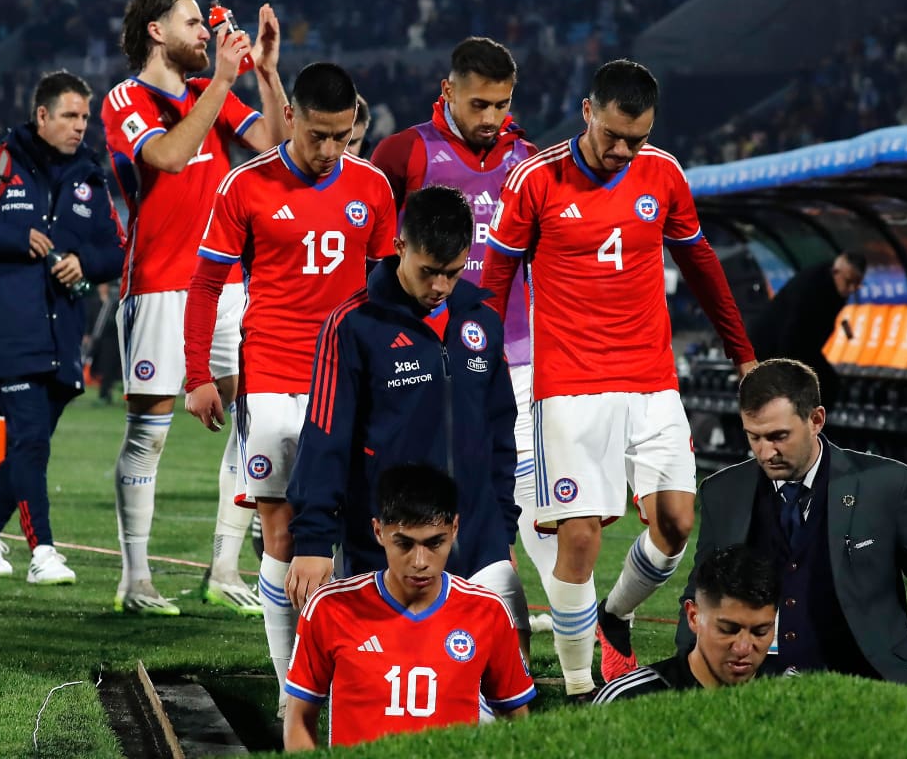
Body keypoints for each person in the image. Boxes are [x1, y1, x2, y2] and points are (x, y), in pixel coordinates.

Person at [481, 59, 757, 697]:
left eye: (636, 137)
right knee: (577, 536)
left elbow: (701, 264)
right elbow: (494, 282)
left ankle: (616, 613)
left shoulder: (661, 173)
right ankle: (581, 687)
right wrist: (481, 364)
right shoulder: (534, 179)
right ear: (587, 112)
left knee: (677, 524)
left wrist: (743, 352)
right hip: (569, 386)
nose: (622, 150)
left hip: (651, 382)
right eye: (612, 135)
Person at [185, 60, 396, 712]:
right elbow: (205, 285)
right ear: (293, 119)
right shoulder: (245, 185)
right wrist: (197, 375)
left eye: (342, 136)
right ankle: (290, 692)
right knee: (280, 529)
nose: (330, 150)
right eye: (319, 136)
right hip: (274, 376)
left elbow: (389, 292)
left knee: (360, 530)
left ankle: (352, 675)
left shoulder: (374, 187)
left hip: (350, 378)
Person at [101, 0, 288, 616]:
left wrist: (264, 72)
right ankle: (135, 578)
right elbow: (170, 156)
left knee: (251, 418)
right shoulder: (127, 98)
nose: (206, 33)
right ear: (157, 31)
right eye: (192, 22)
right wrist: (223, 84)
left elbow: (277, 144)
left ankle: (224, 568)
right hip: (156, 284)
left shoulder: (216, 95)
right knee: (148, 434)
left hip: (225, 282)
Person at [285, 186, 521, 633]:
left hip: (479, 539)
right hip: (387, 545)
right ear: (399, 248)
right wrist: (314, 541)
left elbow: (500, 432)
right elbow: (324, 439)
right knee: (384, 681)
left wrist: (503, 528)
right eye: (428, 271)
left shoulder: (482, 322)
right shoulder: (354, 325)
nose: (440, 287)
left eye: (451, 273)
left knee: (502, 676)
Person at [370, 38, 548, 618]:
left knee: (515, 487)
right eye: (478, 105)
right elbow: (374, 246)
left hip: (513, 349)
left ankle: (500, 605)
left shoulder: (528, 159)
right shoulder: (403, 153)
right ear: (448, 93)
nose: (490, 118)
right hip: (423, 346)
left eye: (501, 104)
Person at [0, 70, 125, 585]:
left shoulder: (90, 179)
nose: (79, 126)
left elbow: (117, 250)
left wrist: (84, 261)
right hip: (7, 333)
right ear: (41, 115)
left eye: (85, 117)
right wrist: (18, 238)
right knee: (32, 442)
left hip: (63, 337)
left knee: (29, 446)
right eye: (69, 115)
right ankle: (44, 552)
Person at [678, 359, 907, 690]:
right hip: (753, 683)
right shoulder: (723, 491)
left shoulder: (884, 484)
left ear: (816, 420)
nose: (765, 452)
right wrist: (690, 675)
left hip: (867, 681)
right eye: (753, 437)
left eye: (778, 436)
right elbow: (699, 594)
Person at [284, 464, 534, 750]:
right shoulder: (330, 608)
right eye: (404, 544)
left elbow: (516, 721)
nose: (419, 561)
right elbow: (299, 720)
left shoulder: (488, 612)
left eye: (434, 543)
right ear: (378, 531)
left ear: (454, 529)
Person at [594, 544, 778, 702]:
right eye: (727, 630)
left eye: (760, 632)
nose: (743, 648)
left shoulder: (792, 692)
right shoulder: (628, 698)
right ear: (693, 617)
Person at [747, 251, 866, 410]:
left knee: (828, 383)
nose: (852, 289)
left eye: (857, 284)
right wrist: (785, 370)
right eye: (849, 281)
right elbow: (791, 330)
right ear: (836, 271)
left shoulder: (835, 289)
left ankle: (810, 425)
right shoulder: (811, 286)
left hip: (800, 346)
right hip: (770, 345)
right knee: (820, 383)